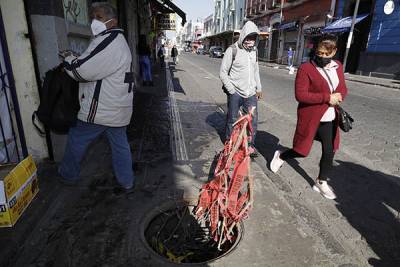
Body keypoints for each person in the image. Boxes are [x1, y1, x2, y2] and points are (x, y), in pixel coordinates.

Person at [58, 2, 135, 191]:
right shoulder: (116, 40)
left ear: (112, 21)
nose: (94, 21)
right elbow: (95, 64)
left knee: (77, 138)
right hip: (117, 107)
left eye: (99, 17)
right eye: (93, 17)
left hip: (102, 109)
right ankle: (127, 182)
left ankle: (67, 175)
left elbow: (82, 71)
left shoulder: (109, 40)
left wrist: (68, 58)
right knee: (120, 146)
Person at [270, 34, 348, 200]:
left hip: (329, 117)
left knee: (330, 150)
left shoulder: (337, 66)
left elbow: (342, 87)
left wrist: (340, 96)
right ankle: (281, 155)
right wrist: (327, 97)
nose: (323, 57)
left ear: (334, 51)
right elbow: (301, 95)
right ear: (315, 50)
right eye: (320, 53)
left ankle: (321, 182)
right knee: (302, 151)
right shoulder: (306, 68)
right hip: (310, 116)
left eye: (327, 54)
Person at [220, 21, 263, 158]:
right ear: (243, 36)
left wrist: (259, 87)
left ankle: (249, 146)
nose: (251, 41)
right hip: (236, 92)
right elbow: (223, 72)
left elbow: (256, 70)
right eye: (248, 37)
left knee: (252, 121)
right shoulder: (232, 50)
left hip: (250, 93)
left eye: (253, 38)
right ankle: (230, 143)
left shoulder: (254, 51)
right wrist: (231, 90)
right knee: (232, 119)